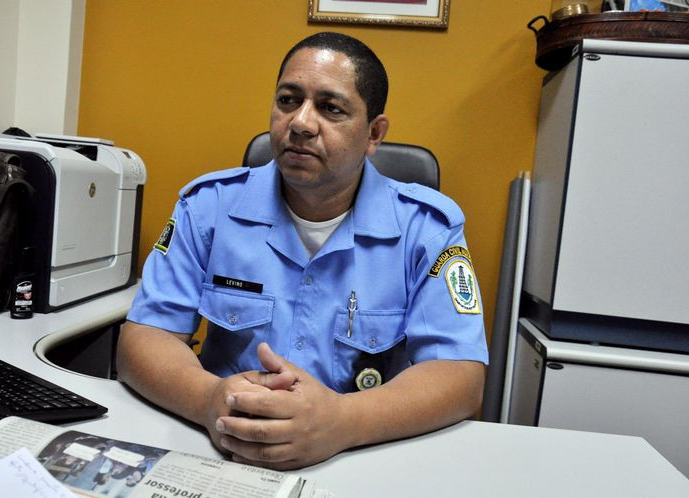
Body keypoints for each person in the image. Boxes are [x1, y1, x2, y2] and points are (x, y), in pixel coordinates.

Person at [118, 31, 488, 471]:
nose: (300, 123)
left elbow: (461, 375)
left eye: (331, 108)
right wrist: (207, 400)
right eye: (289, 100)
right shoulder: (208, 208)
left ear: (374, 133)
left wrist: (342, 421)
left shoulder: (425, 228)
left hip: (362, 456)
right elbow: (145, 337)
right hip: (222, 447)